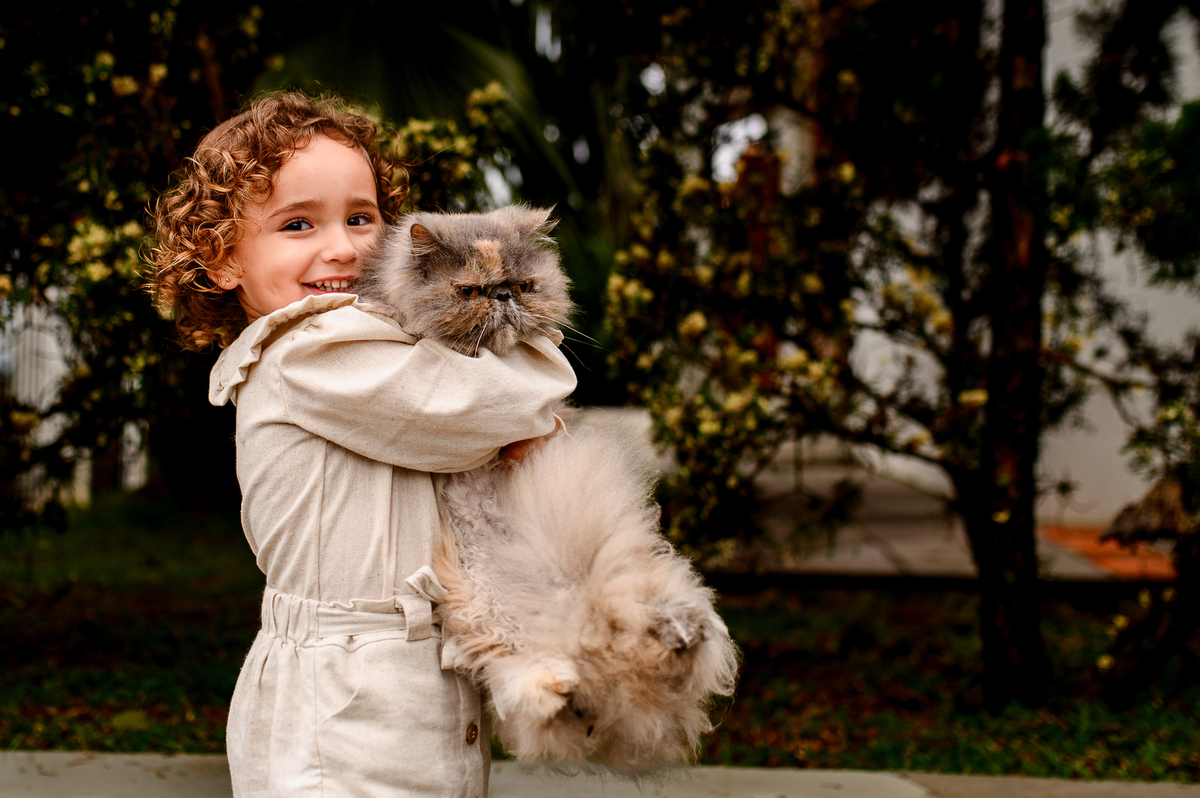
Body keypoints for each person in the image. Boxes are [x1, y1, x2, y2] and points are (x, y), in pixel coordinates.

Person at [145, 91, 577, 797]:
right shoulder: (308, 350)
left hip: (405, 680)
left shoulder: (369, 343)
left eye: (361, 217)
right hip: (344, 699)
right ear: (223, 260)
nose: (342, 247)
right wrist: (524, 407)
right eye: (297, 224)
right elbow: (500, 403)